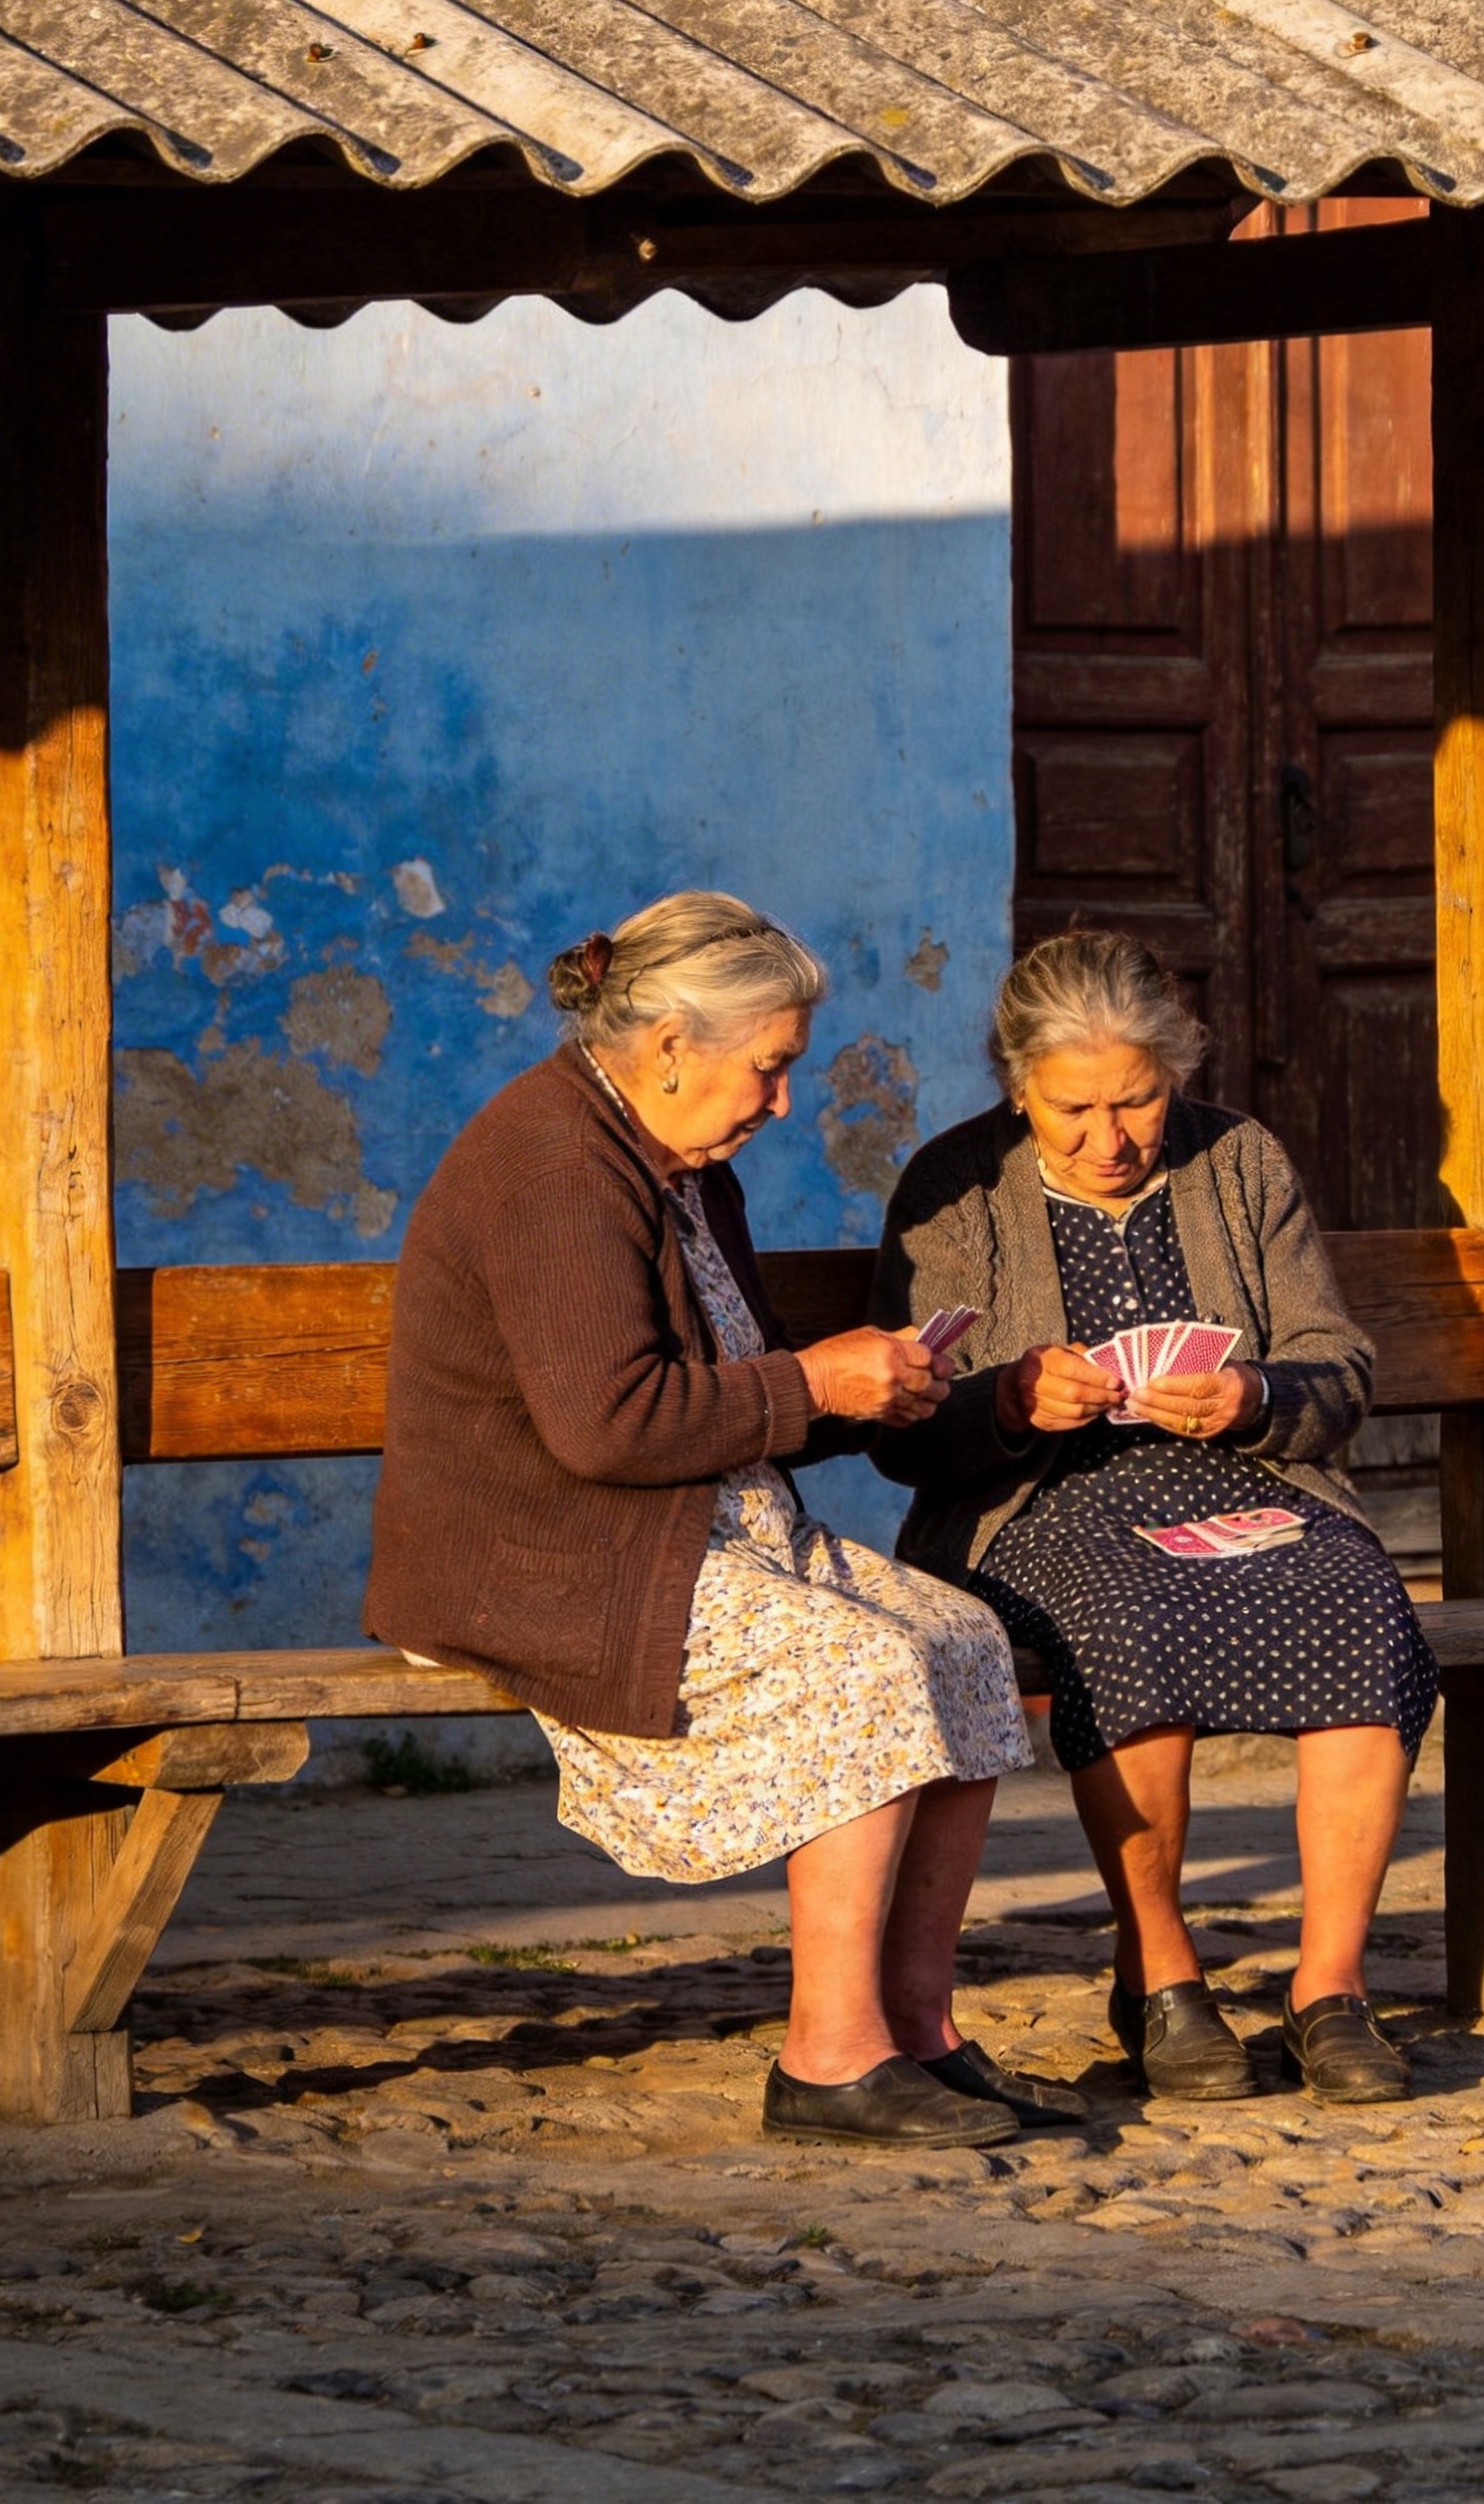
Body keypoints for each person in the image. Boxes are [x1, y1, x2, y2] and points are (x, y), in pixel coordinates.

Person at [364, 889, 1074, 2149]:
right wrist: (815, 1382)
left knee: (962, 1642)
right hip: (558, 1548)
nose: (782, 1101)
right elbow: (606, 1426)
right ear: (671, 1048)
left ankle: (917, 2031)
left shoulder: (677, 1158)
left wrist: (882, 1386)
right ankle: (827, 2059)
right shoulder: (551, 1164)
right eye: (771, 1067)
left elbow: (730, 1388)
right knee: (862, 1668)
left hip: (702, 1526)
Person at [870, 930, 1437, 2107]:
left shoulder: (1237, 1160)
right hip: (1040, 1503)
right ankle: (1159, 1973)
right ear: (1015, 1083)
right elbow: (904, 1426)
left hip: (1247, 1482)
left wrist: (1254, 1397)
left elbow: (1335, 1360)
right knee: (1125, 1609)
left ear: (1174, 1071)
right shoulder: (952, 1184)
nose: (1108, 1138)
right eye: (1070, 1109)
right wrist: (1011, 1400)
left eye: (1135, 1101)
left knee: (1358, 1595)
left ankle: (1328, 1987)